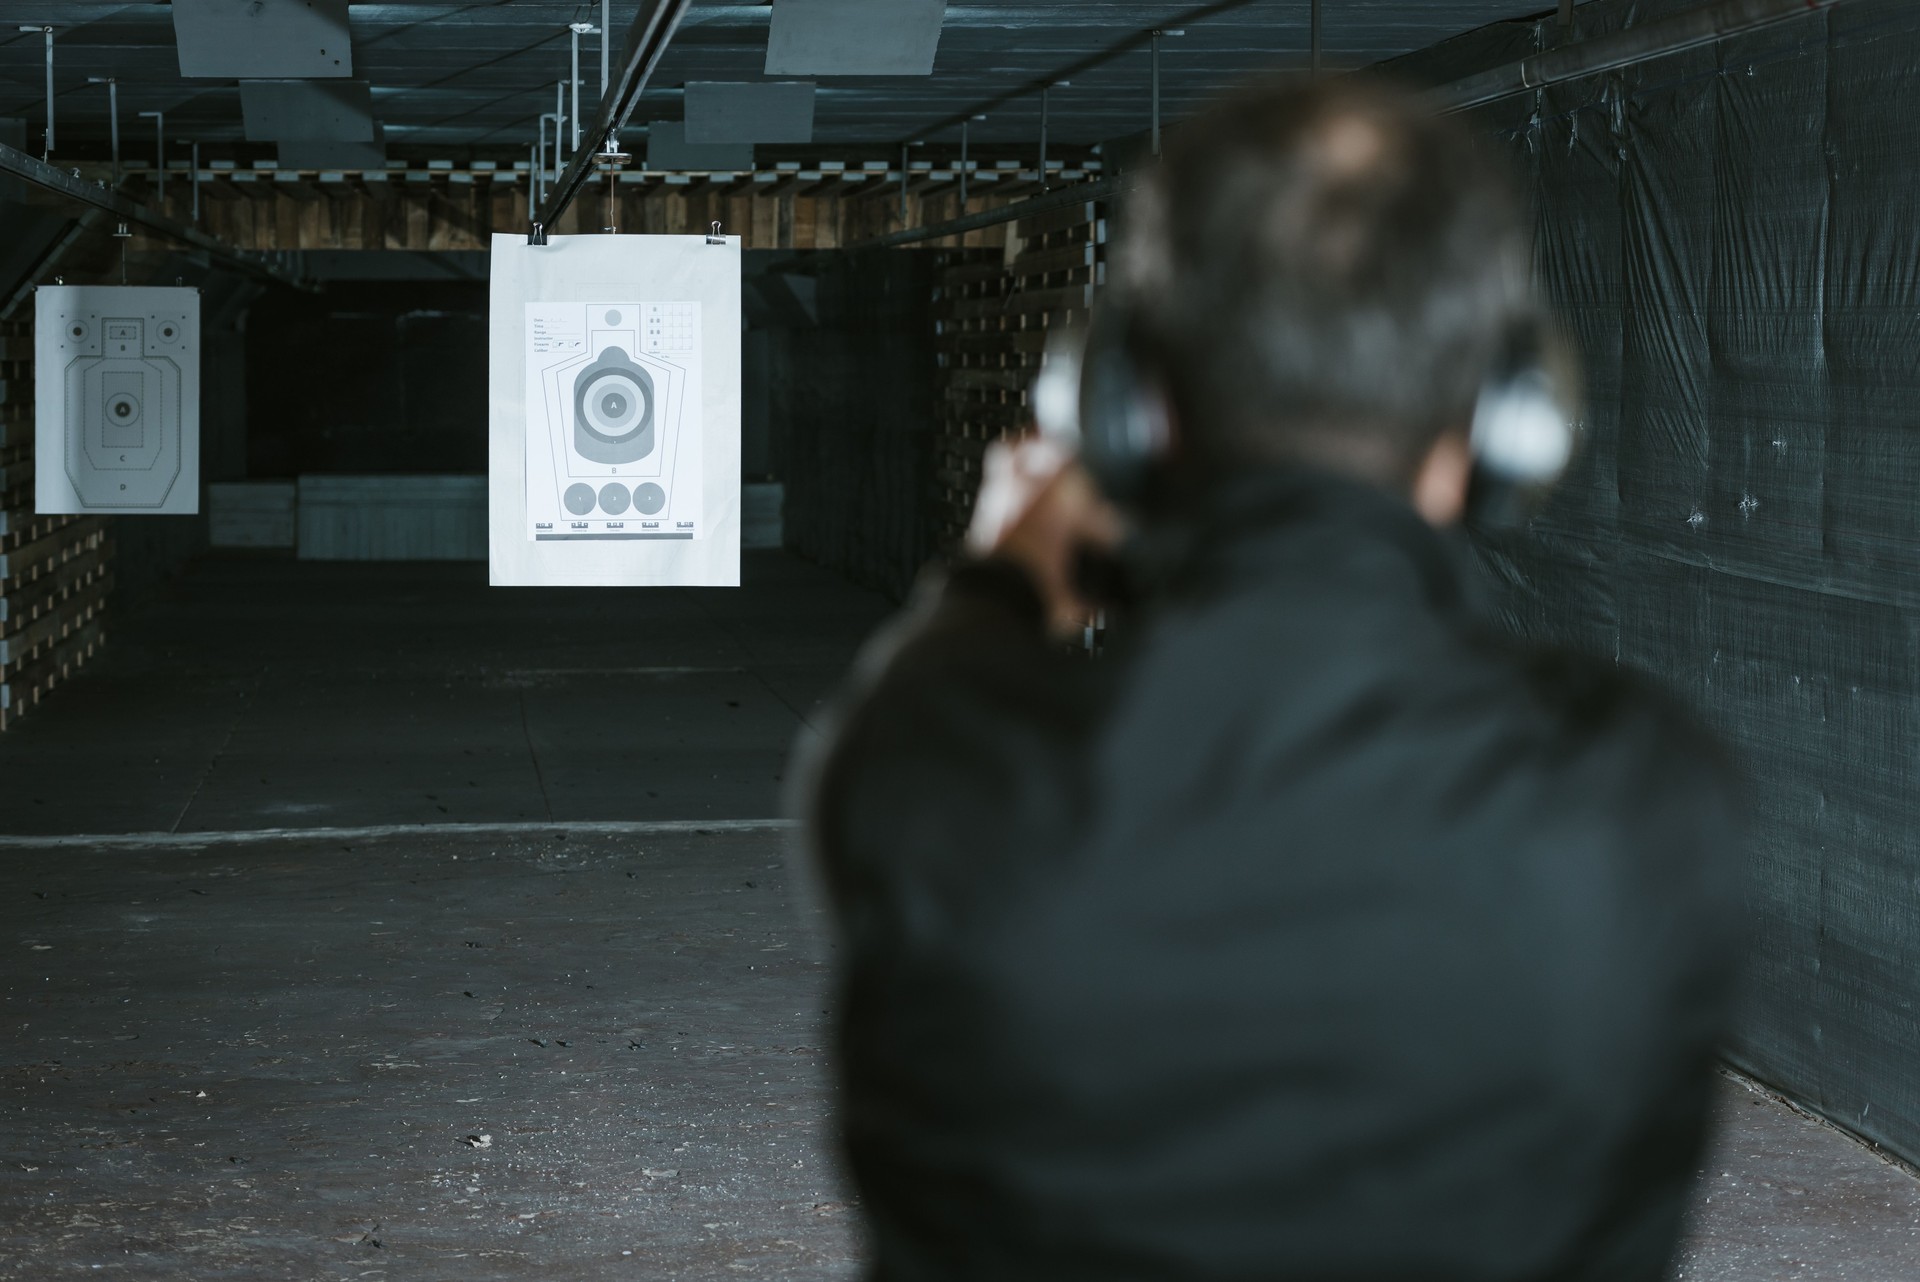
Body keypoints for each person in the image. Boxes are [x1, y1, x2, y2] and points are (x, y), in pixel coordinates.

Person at [800, 75, 1741, 1281]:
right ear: (1505, 424)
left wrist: (1003, 573)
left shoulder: (939, 765)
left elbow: (935, 681)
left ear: (1130, 412)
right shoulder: (1648, 793)